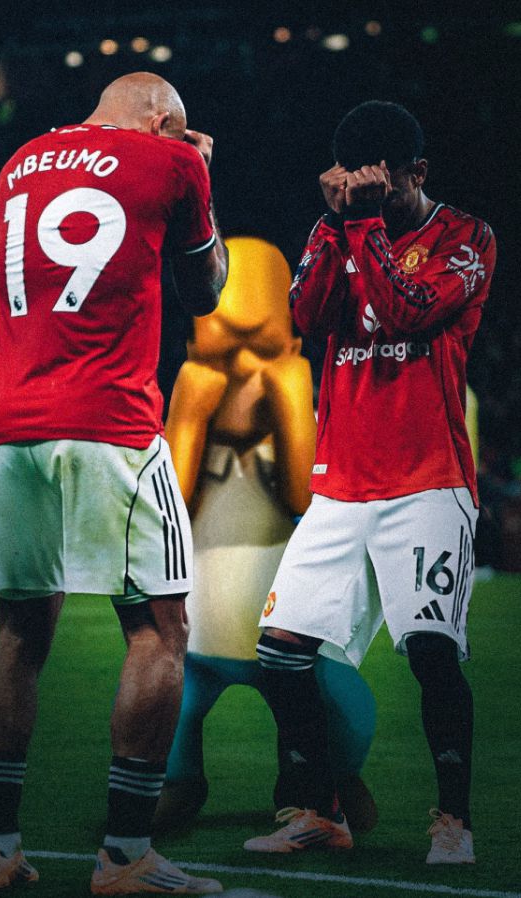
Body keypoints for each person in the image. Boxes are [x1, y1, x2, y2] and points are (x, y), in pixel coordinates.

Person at [0, 73, 228, 894]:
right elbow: (206, 291)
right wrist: (201, 174)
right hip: (110, 421)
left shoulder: (19, 161)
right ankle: (124, 855)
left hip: (9, 425)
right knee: (160, 630)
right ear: (163, 119)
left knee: (19, 633)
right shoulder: (173, 161)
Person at [243, 101, 496, 864]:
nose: (369, 198)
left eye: (385, 187)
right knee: (279, 651)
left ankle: (453, 821)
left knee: (429, 651)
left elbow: (405, 312)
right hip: (342, 482)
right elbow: (310, 316)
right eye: (356, 186)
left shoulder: (467, 239)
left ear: (418, 173)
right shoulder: (337, 227)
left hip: (428, 481)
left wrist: (363, 225)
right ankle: (318, 811)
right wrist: (336, 224)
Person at [154, 237, 377, 834]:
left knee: (337, 703)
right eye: (226, 356)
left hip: (283, 618)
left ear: (293, 348)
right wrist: (189, 412)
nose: (244, 375)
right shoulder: (189, 415)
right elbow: (171, 500)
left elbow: (304, 495)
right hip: (201, 620)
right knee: (172, 700)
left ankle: (321, 781)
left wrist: (292, 401)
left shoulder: (296, 413)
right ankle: (178, 780)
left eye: (262, 353)